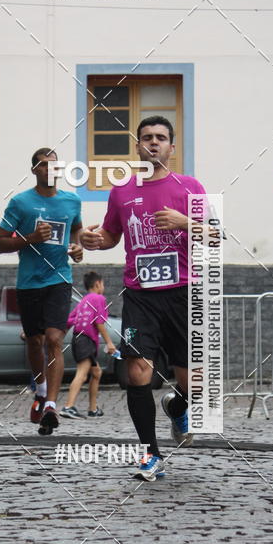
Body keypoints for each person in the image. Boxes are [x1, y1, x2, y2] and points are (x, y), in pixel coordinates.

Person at [82, 116, 209, 481]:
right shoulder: (121, 190)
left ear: (172, 146)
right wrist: (94, 241)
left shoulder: (190, 187)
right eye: (147, 138)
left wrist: (185, 223)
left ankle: (178, 406)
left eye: (161, 138)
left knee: (193, 386)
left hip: (182, 295)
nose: (154, 143)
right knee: (139, 373)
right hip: (140, 296)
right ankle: (149, 455)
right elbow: (109, 235)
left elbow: (215, 237)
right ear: (137, 146)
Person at [0, 147, 84, 435]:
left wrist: (78, 247)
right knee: (35, 342)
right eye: (45, 166)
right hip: (29, 282)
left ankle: (51, 405)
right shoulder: (21, 203)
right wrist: (30, 238)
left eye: (56, 166)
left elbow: (76, 231)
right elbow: (0, 243)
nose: (51, 170)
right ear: (34, 170)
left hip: (59, 278)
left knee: (55, 339)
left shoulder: (72, 201)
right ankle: (40, 389)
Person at [60, 272, 117, 419]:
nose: (103, 287)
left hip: (78, 339)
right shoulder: (99, 299)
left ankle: (93, 409)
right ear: (97, 284)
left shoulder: (83, 301)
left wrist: (59, 340)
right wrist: (110, 343)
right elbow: (99, 323)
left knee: (96, 372)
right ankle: (68, 407)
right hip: (86, 340)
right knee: (82, 373)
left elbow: (68, 320)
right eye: (103, 284)